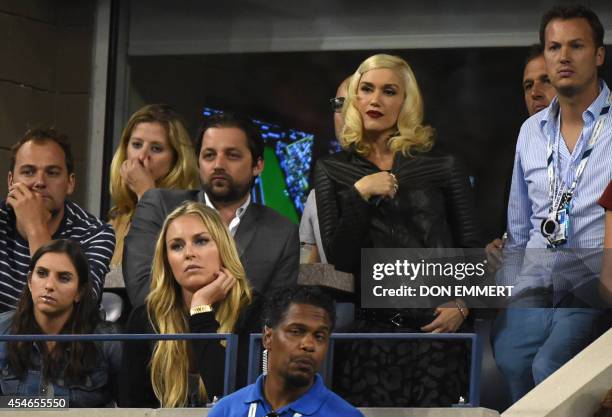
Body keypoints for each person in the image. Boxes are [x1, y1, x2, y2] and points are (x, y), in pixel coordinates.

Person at [314, 54, 482, 406]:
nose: (376, 100)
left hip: (440, 331)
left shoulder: (442, 165)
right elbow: (340, 258)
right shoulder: (332, 170)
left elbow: (472, 248)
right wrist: (361, 194)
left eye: (389, 91)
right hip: (372, 336)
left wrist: (464, 307)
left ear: (405, 103)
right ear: (354, 99)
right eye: (367, 89)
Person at [492, 5, 612, 402]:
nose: (563, 56)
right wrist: (508, 293)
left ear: (598, 54)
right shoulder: (530, 131)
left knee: (551, 367)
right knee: (511, 361)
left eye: (576, 46)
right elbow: (520, 226)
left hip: (592, 279)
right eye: (554, 46)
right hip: (536, 279)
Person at [124, 112, 299, 307]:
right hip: (167, 334)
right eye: (209, 155)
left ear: (257, 165)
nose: (218, 165)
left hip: (239, 337)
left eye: (232, 155)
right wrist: (200, 309)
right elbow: (142, 293)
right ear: (198, 163)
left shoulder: (282, 232)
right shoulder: (160, 206)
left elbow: (276, 314)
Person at [120, 201, 261, 407]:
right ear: (167, 260)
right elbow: (131, 405)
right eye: (177, 246)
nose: (189, 253)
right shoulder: (146, 318)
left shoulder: (254, 311)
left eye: (201, 241)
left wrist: (201, 308)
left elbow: (235, 399)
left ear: (223, 248)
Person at [0, 128, 115, 312]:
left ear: (70, 183)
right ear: (11, 181)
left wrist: (35, 227)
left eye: (52, 173)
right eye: (28, 172)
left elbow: (77, 314)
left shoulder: (95, 233)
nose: (39, 182)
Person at [207, 285, 363, 417]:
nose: (309, 344)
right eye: (296, 331)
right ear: (268, 337)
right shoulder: (226, 411)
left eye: (319, 336)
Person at [0, 239, 121, 406]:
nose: (49, 285)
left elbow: (134, 408)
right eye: (41, 274)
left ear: (80, 291)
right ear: (29, 281)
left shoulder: (109, 342)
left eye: (64, 278)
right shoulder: (2, 331)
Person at [486, 44, 557, 270]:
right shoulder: (523, 148)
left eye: (546, 80)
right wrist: (499, 249)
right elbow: (516, 235)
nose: (535, 92)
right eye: (528, 85)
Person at [108, 104, 199, 268]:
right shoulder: (118, 219)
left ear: (176, 159)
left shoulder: (190, 213)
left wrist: (147, 193)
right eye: (136, 145)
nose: (142, 157)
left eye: (156, 148)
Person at [300, 76, 350, 264]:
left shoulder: (415, 186)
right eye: (339, 105)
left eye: (354, 105)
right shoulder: (317, 196)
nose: (345, 116)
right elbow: (309, 275)